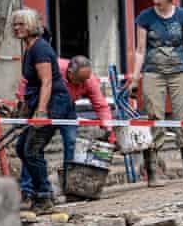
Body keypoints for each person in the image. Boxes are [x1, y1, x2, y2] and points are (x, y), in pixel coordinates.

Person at [124, 0, 183, 186]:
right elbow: (140, 50)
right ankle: (152, 172)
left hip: (179, 71)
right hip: (153, 72)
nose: (156, 1)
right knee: (154, 117)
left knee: (182, 117)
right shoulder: (145, 17)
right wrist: (135, 77)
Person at [16, 55, 113, 197]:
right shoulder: (55, 66)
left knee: (71, 143)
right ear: (69, 72)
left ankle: (71, 186)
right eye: (79, 80)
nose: (82, 84)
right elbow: (26, 79)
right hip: (45, 108)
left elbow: (100, 103)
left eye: (84, 81)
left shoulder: (89, 80)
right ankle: (28, 189)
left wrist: (108, 126)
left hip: (68, 109)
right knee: (32, 146)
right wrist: (23, 100)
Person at [11, 7, 76, 213]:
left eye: (21, 24)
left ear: (31, 25)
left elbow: (47, 82)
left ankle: (45, 196)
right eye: (15, 24)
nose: (16, 28)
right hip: (41, 101)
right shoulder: (29, 48)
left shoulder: (40, 49)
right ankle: (40, 192)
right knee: (22, 148)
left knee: (32, 149)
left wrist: (40, 112)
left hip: (54, 103)